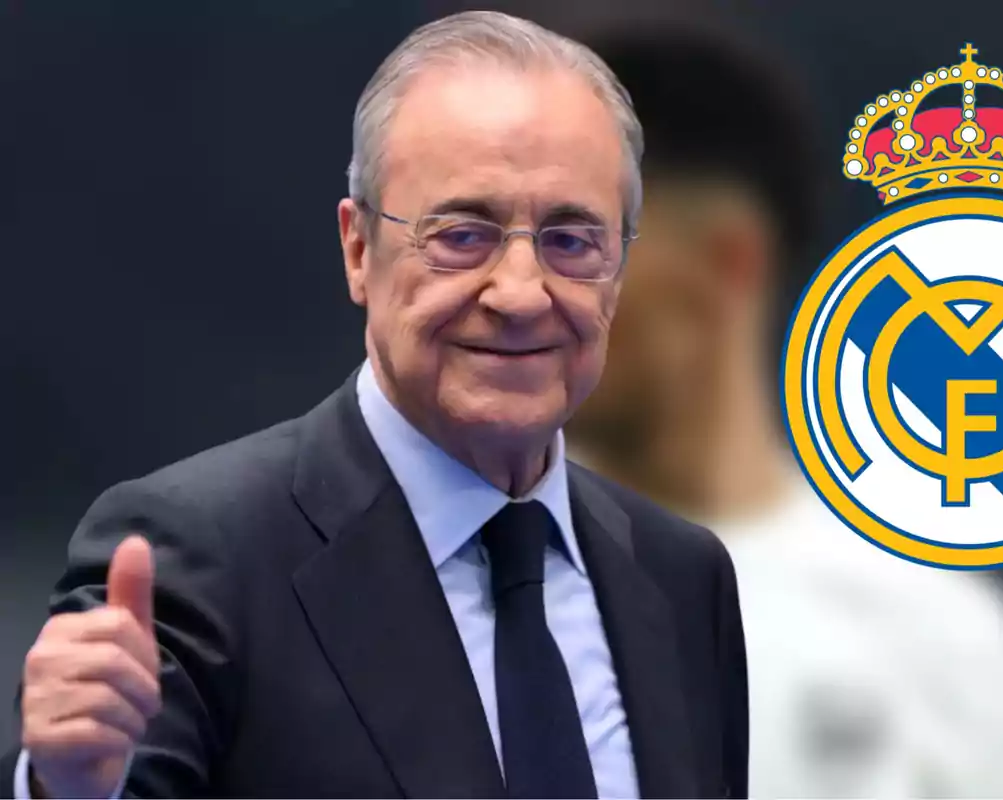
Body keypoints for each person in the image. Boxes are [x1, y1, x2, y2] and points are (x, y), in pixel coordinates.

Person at [3, 12, 748, 799]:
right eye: (464, 234)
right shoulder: (201, 561)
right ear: (359, 249)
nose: (523, 293)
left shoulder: (679, 578)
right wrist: (66, 787)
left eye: (571, 240)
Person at [567, 21, 1003, 798]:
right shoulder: (451, 580)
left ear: (728, 264)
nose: (529, 293)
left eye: (579, 244)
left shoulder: (939, 635)